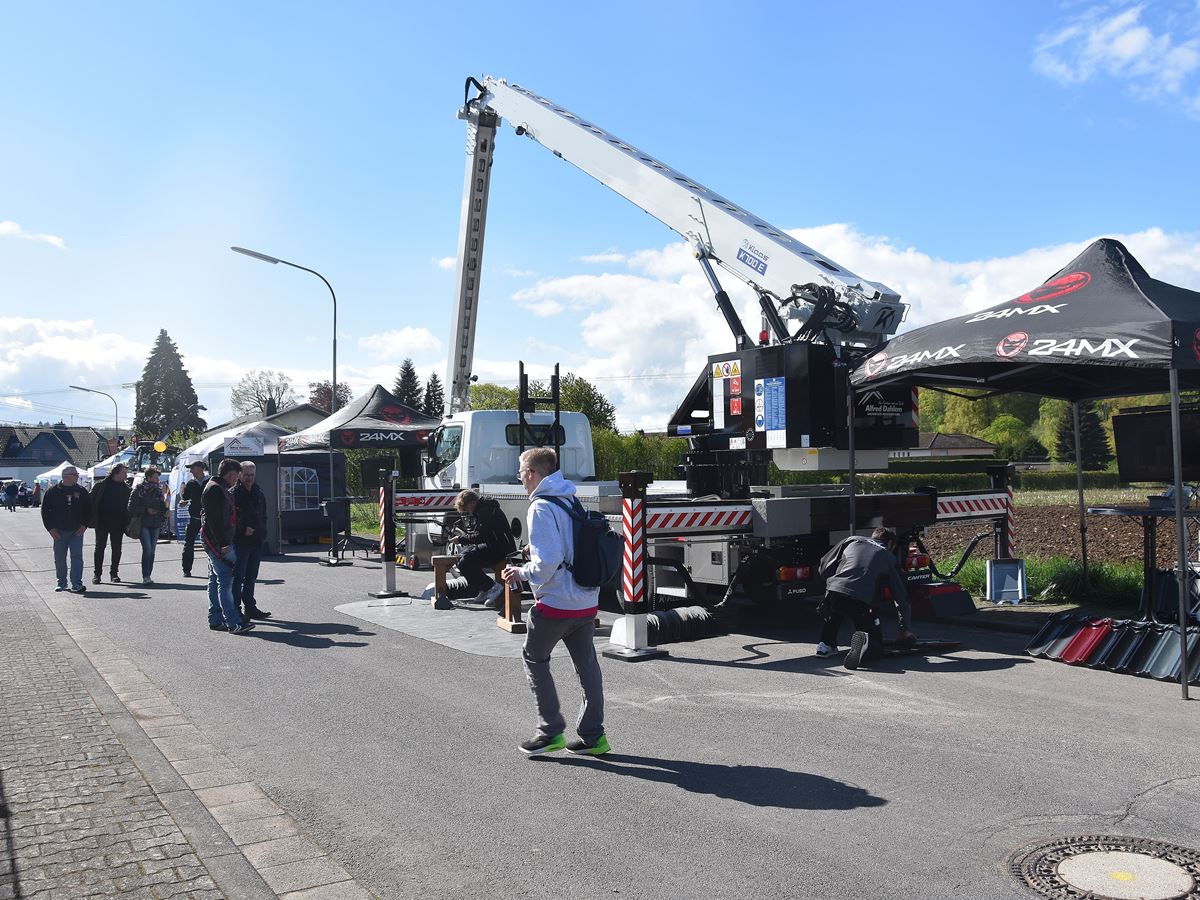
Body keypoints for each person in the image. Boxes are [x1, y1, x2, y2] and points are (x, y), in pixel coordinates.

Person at [503, 447, 608, 757]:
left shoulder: (540, 507)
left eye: (521, 473)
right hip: (586, 601)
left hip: (557, 603)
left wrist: (520, 572)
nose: (521, 479)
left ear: (533, 474)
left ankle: (550, 731)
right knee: (587, 667)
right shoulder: (569, 498)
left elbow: (548, 562)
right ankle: (593, 736)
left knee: (534, 659)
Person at [816, 527, 916, 670]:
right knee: (875, 642)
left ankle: (825, 646)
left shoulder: (852, 540)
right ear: (890, 544)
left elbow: (824, 566)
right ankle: (866, 644)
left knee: (834, 612)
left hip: (835, 590)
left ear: (873, 536)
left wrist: (832, 583)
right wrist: (904, 629)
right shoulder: (887, 556)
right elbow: (900, 597)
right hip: (861, 599)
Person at [202, 458, 253, 634]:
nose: (237, 480)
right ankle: (233, 622)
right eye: (237, 476)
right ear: (231, 474)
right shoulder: (215, 489)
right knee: (225, 583)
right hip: (218, 543)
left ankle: (216, 619)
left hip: (216, 542)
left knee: (216, 580)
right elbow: (215, 521)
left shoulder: (216, 487)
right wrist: (224, 544)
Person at [451, 488, 516, 607]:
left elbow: (481, 535)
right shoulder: (483, 509)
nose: (467, 512)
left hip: (500, 548)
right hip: (494, 545)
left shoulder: (486, 510)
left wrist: (461, 539)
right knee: (462, 558)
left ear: (472, 503)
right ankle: (484, 588)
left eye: (466, 508)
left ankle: (490, 587)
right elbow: (481, 534)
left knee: (465, 561)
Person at [40, 466, 91, 594]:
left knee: (77, 557)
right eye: (75, 474)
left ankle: (77, 583)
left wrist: (84, 525)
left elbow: (89, 510)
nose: (78, 476)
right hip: (58, 531)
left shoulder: (81, 491)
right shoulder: (52, 492)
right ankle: (61, 582)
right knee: (60, 558)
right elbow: (45, 511)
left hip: (77, 531)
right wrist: (51, 528)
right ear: (66, 476)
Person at [231, 460, 271, 620]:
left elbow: (264, 515)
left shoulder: (258, 492)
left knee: (251, 577)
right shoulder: (233, 493)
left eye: (252, 475)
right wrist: (242, 529)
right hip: (240, 542)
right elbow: (230, 519)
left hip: (256, 541)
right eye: (246, 475)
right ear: (239, 475)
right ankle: (235, 609)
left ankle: (250, 608)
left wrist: (263, 532)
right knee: (238, 578)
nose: (249, 478)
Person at [89, 463, 131, 584]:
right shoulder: (101, 485)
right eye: (124, 472)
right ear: (116, 473)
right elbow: (90, 501)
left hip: (118, 523)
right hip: (102, 522)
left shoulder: (126, 488)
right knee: (99, 548)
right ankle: (97, 575)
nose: (126, 475)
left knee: (117, 549)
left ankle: (114, 574)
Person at [127, 467, 167, 586]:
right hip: (143, 523)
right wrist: (146, 510)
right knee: (147, 549)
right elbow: (131, 507)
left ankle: (148, 574)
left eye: (158, 477)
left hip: (156, 523)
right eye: (155, 477)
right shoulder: (139, 490)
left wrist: (165, 511)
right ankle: (145, 576)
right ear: (148, 477)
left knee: (152, 550)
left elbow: (162, 505)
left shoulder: (159, 491)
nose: (157, 479)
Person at [180, 460, 208, 577]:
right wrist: (183, 501)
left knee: (211, 544)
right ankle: (186, 570)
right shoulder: (191, 483)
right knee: (189, 544)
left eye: (192, 468)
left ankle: (214, 569)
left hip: (208, 519)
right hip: (194, 518)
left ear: (200, 468)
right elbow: (185, 498)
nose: (190, 471)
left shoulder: (210, 481)